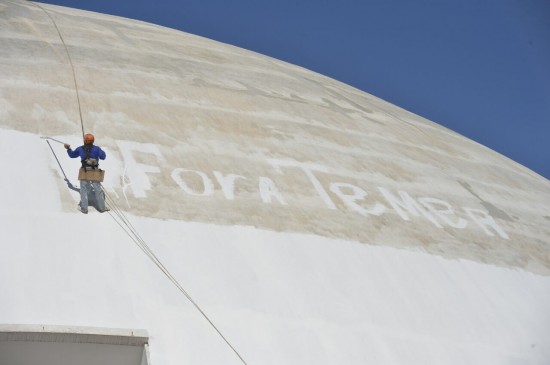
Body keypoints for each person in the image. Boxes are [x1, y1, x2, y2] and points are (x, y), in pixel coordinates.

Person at [64, 133, 109, 214]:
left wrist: (68, 149)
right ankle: (102, 208)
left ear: (85, 141)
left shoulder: (80, 149)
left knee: (83, 190)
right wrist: (101, 152)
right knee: (98, 190)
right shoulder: (97, 149)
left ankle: (84, 208)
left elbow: (72, 155)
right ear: (93, 141)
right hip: (95, 172)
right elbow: (103, 157)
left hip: (84, 172)